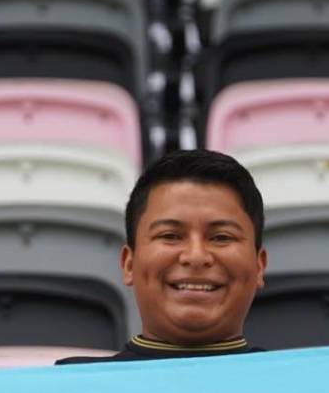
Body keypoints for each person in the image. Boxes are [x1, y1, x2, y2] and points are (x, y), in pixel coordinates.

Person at [58, 149, 269, 365]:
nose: (195, 256)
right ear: (128, 264)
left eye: (221, 237)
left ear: (259, 266)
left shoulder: (297, 383)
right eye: (170, 235)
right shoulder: (67, 387)